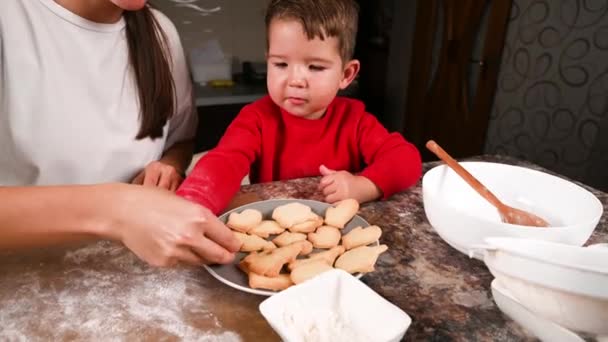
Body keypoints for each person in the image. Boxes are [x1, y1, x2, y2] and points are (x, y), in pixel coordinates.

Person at [0, 0, 240, 266]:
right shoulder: (9, 18)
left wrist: (169, 166)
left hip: (128, 275)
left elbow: (179, 141)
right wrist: (117, 209)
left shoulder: (160, 32)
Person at [177, 0, 422, 215]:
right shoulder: (256, 120)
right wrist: (193, 202)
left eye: (315, 67)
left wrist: (362, 186)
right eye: (281, 64)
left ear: (346, 74)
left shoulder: (355, 120)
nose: (295, 80)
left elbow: (406, 160)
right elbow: (224, 162)